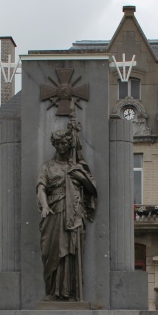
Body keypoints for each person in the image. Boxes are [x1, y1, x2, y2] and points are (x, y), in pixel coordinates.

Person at [37, 120, 97, 301]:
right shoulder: (46, 167)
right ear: (54, 144)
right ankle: (52, 290)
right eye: (58, 143)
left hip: (74, 214)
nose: (61, 146)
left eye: (64, 143)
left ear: (69, 144)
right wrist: (45, 205)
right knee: (51, 251)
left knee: (71, 251)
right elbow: (41, 188)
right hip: (54, 212)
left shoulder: (76, 167)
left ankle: (69, 291)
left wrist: (81, 177)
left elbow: (92, 190)